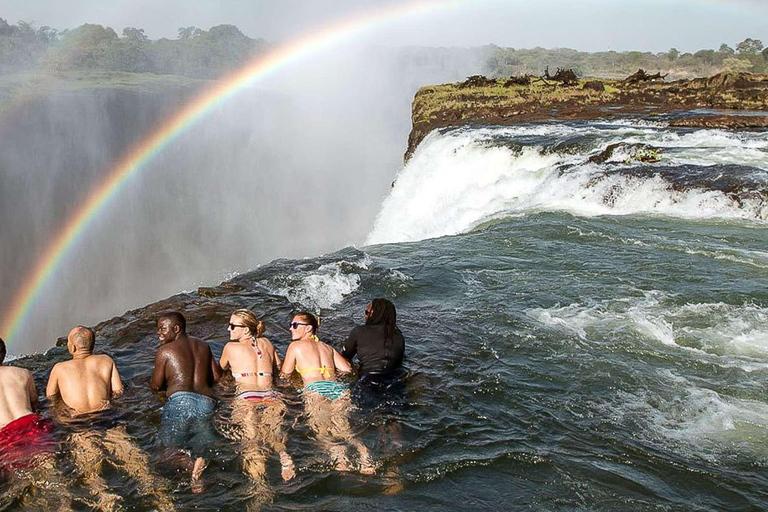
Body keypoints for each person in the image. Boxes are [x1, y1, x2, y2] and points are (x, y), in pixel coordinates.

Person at [46, 326, 173, 511]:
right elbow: (118, 391)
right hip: (107, 418)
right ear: (92, 344)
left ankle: (108, 502)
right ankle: (164, 501)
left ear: (72, 347)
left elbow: (51, 398)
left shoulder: (59, 368)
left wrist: (61, 416)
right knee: (138, 464)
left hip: (78, 423)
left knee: (92, 473)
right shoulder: (106, 361)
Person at [280, 312, 375, 474]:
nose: (291, 328)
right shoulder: (327, 348)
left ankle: (341, 459)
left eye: (295, 325)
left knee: (322, 432)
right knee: (344, 429)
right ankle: (364, 453)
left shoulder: (295, 347)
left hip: (316, 389)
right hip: (338, 390)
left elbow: (285, 374)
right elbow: (347, 369)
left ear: (309, 328)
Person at [219, 309, 296, 499]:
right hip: (271, 395)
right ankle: (284, 456)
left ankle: (260, 486)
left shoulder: (230, 347)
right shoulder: (267, 343)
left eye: (233, 326)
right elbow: (278, 368)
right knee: (274, 434)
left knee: (252, 442)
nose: (228, 329)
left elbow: (220, 370)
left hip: (247, 396)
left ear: (246, 330)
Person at [151, 311, 221, 491]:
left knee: (168, 450)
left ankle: (190, 465)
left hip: (180, 401)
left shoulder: (165, 351)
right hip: (206, 402)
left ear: (176, 329)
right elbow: (216, 376)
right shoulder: (204, 346)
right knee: (204, 446)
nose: (158, 333)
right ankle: (199, 473)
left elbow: (156, 385)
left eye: (162, 329)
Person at [341, 298, 405, 380]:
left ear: (373, 314)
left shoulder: (359, 331)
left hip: (368, 379)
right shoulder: (399, 335)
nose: (365, 316)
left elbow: (345, 357)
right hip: (394, 379)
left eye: (366, 312)